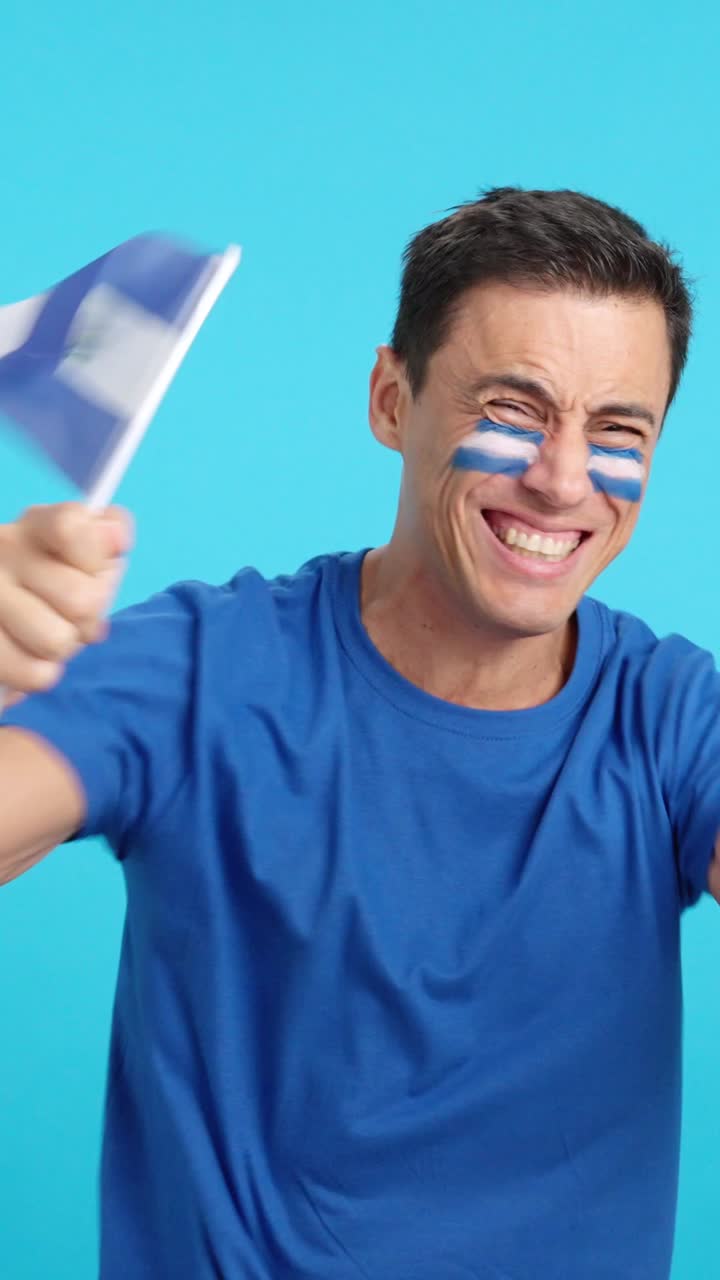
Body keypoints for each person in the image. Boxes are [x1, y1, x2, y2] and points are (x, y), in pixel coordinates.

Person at [0, 186, 715, 1280]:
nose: (564, 477)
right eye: (514, 408)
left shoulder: (672, 718)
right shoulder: (205, 667)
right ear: (392, 397)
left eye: (619, 430)